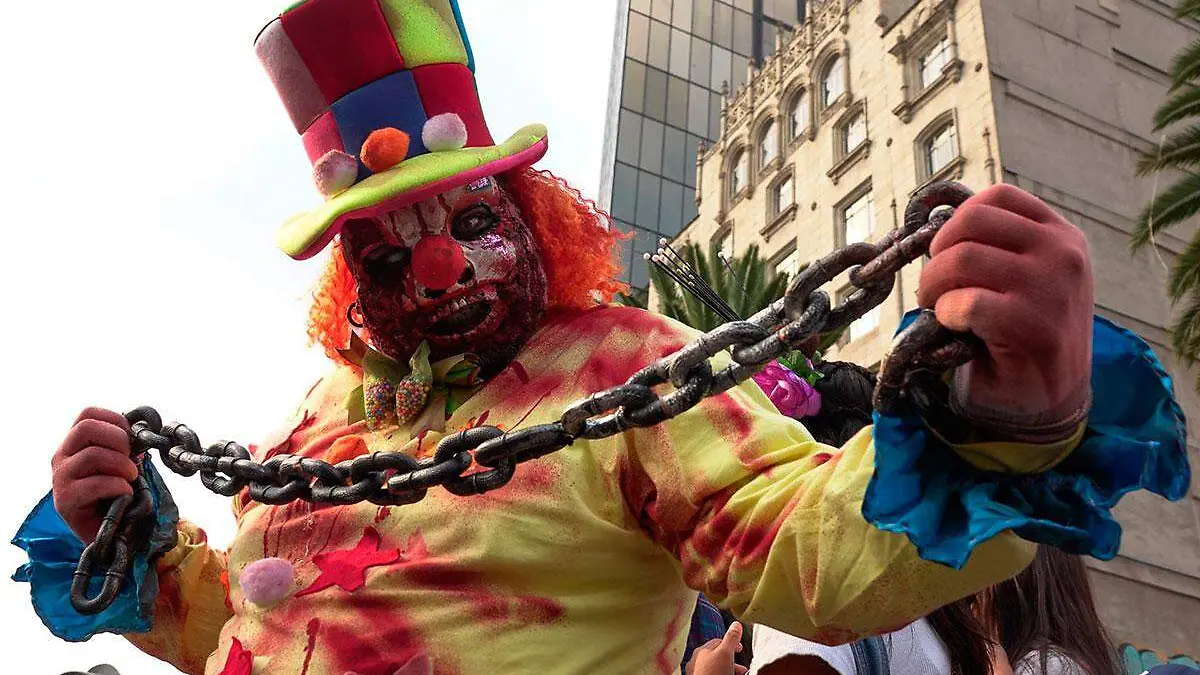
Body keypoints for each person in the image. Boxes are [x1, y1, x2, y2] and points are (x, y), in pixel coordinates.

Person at [14, 1, 1188, 674]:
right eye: (385, 250)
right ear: (349, 281)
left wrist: (997, 419)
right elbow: (241, 624)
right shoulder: (313, 430)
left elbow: (808, 555)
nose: (439, 266)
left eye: (473, 221)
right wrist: (127, 537)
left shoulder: (631, 369)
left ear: (538, 217)